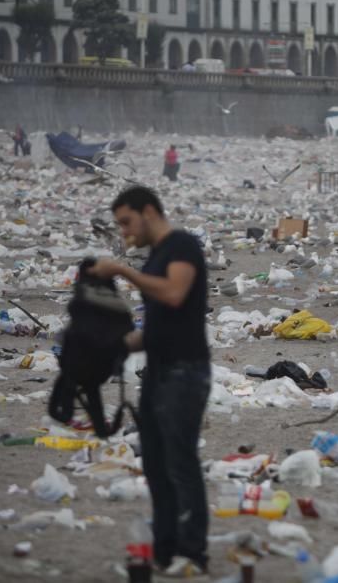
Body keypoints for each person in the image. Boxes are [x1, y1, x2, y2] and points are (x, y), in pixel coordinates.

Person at [88, 186, 210, 579]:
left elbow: (174, 295)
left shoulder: (182, 246)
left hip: (185, 372)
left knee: (180, 463)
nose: (124, 232)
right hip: (157, 373)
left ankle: (193, 552)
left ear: (149, 211)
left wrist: (123, 270)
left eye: (126, 221)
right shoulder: (156, 258)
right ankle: (165, 549)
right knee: (156, 466)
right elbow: (155, 327)